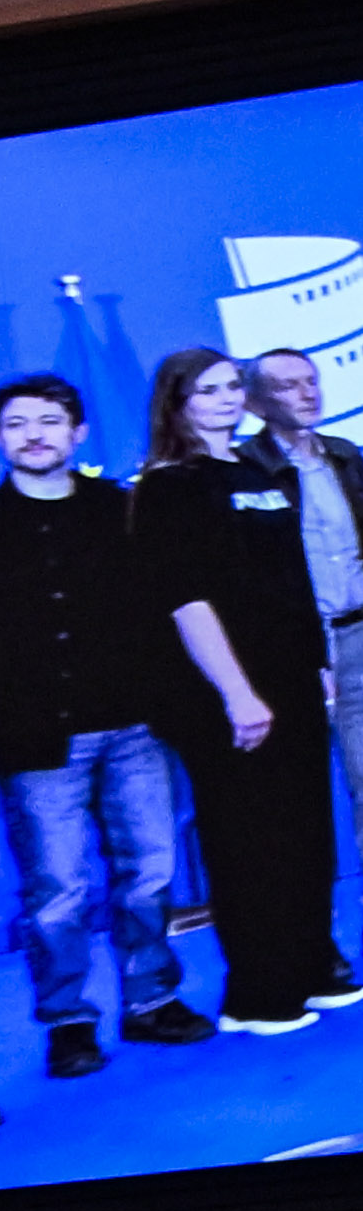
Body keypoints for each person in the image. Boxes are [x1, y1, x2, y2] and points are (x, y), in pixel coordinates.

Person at [0, 371, 215, 1080]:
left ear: (77, 432)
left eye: (48, 421)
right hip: (37, 737)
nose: (33, 434)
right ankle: (67, 1022)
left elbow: (165, 613)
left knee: (149, 871)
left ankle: (150, 1000)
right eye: (16, 423)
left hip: (135, 727)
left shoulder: (124, 511)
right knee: (57, 890)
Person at [140, 344, 341, 1037]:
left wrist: (315, 663)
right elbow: (186, 599)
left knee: (304, 831)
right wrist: (235, 691)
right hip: (225, 690)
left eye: (231, 387)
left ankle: (310, 964)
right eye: (206, 390)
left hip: (290, 676)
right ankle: (255, 993)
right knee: (247, 839)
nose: (224, 399)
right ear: (176, 404)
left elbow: (290, 579)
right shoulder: (170, 484)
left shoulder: (258, 470)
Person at [258, 344, 363, 1038]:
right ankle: (312, 949)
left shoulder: (346, 455)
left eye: (310, 381)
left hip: (358, 640)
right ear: (255, 398)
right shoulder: (244, 470)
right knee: (292, 818)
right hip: (289, 653)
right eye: (286, 385)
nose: (304, 393)